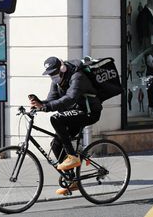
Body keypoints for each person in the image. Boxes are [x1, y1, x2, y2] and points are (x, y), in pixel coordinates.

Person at [29, 56, 103, 195]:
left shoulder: (77, 76)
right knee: (56, 144)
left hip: (89, 112)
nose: (53, 76)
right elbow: (52, 99)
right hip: (73, 113)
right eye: (50, 74)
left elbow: (70, 98)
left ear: (62, 68)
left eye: (54, 73)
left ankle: (72, 157)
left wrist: (47, 106)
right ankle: (72, 180)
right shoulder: (56, 81)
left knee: (56, 118)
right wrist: (39, 104)